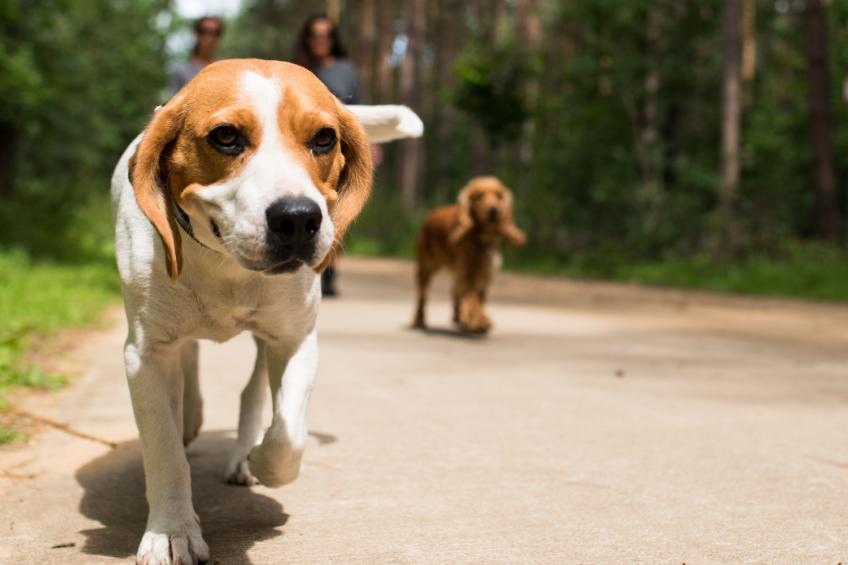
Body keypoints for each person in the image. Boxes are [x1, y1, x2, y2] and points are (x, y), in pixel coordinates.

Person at [294, 14, 381, 296]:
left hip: (338, 147)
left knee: (334, 206)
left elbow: (360, 108)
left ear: (333, 39)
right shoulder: (298, 69)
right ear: (307, 39)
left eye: (326, 35)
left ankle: (328, 270)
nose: (321, 40)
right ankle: (302, 263)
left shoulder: (345, 69)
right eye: (315, 35)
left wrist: (369, 144)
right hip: (302, 152)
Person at [170, 16, 224, 96]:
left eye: (214, 33)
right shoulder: (181, 71)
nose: (208, 38)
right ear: (196, 34)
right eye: (203, 31)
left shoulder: (225, 70)